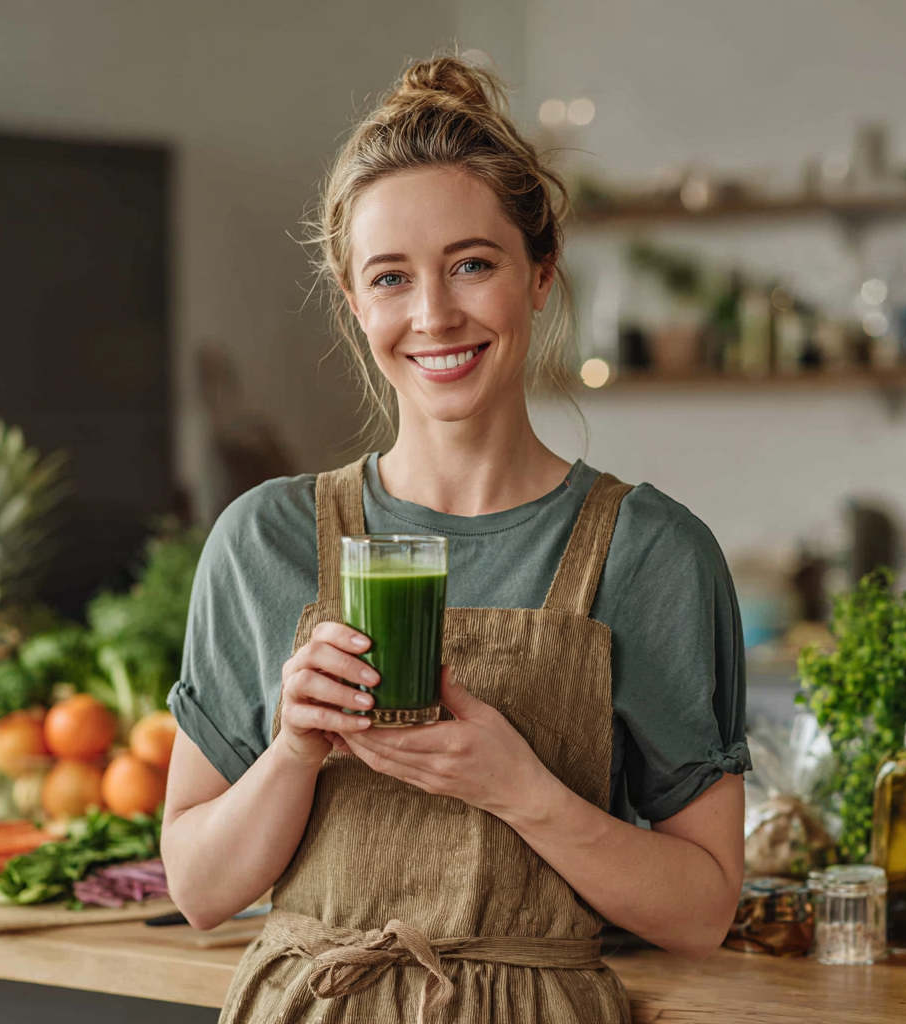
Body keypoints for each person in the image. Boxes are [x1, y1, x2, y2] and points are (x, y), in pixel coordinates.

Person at [161, 55, 750, 1024]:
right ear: (354, 302)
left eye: (472, 264)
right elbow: (197, 888)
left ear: (540, 274)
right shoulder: (263, 541)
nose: (433, 315)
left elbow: (702, 910)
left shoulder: (650, 553)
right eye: (391, 277)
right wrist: (294, 749)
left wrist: (520, 790)